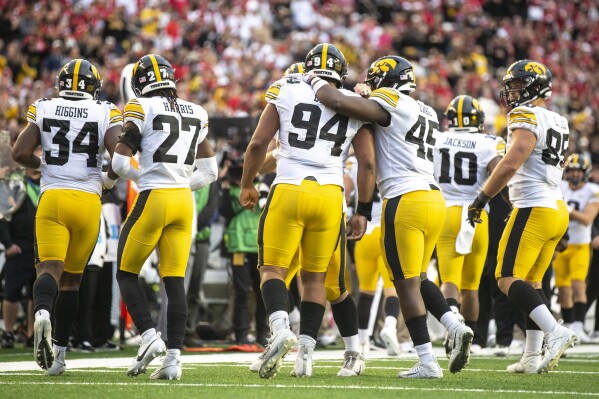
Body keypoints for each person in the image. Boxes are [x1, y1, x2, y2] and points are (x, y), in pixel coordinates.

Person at [306, 55, 474, 378]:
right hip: (433, 198)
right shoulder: (426, 109)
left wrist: (314, 78)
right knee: (420, 278)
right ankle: (454, 324)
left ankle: (427, 360)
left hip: (404, 198)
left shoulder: (391, 100)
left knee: (404, 283)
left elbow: (337, 100)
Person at [239, 43, 376, 379]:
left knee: (272, 270)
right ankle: (305, 359)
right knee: (315, 280)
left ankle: (281, 327)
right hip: (331, 195)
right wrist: (363, 210)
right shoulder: (354, 100)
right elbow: (368, 163)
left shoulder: (286, 87)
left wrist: (247, 183)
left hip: (289, 186)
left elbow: (258, 144)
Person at [11, 59, 123, 375]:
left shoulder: (44, 106)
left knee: (48, 269)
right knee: (73, 281)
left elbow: (19, 153)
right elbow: (120, 156)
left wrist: (45, 165)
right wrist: (108, 180)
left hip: (53, 198)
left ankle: (42, 313)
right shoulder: (104, 110)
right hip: (88, 202)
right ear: (94, 87)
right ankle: (59, 355)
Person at [110, 54, 217, 380]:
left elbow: (118, 163)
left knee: (126, 273)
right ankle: (173, 359)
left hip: (153, 197)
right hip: (184, 202)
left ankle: (148, 336)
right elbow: (210, 171)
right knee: (174, 283)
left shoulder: (141, 106)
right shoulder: (196, 111)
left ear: (141, 84)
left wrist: (143, 179)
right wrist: (182, 183)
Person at [467, 59, 577, 374]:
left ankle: (556, 332)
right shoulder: (558, 119)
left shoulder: (525, 115)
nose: (512, 93)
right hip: (556, 208)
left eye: (517, 86)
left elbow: (512, 161)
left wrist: (483, 197)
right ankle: (531, 356)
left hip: (534, 207)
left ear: (536, 86)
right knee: (532, 281)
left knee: (505, 278)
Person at [433, 95, 505, 356]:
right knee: (471, 285)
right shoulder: (490, 142)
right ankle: (469, 341)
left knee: (449, 280)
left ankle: (454, 329)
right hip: (478, 214)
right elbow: (500, 174)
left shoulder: (437, 138)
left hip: (447, 210)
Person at [219, 158, 268, 346]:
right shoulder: (230, 191)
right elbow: (224, 212)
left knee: (262, 291)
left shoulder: (261, 188)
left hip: (258, 246)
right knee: (241, 292)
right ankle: (241, 334)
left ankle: (262, 334)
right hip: (239, 247)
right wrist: (224, 184)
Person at [554, 153, 599, 342]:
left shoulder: (593, 190)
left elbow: (587, 219)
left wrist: (566, 208)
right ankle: (570, 326)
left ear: (585, 172)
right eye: (570, 170)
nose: (574, 174)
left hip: (580, 243)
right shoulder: (561, 186)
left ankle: (580, 326)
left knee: (578, 286)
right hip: (561, 243)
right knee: (563, 289)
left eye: (577, 170)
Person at [0, 164, 40, 349]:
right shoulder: (15, 184)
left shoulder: (46, 184)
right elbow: (4, 214)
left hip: (40, 245)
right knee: (12, 291)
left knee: (36, 293)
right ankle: (8, 331)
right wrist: (8, 244)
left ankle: (32, 333)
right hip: (19, 245)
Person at [184, 180, 219, 348]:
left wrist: (195, 226)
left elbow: (212, 209)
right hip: (182, 236)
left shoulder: (211, 178)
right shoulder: (184, 167)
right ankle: (173, 330)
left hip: (201, 239)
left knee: (195, 287)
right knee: (178, 286)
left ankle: (188, 330)